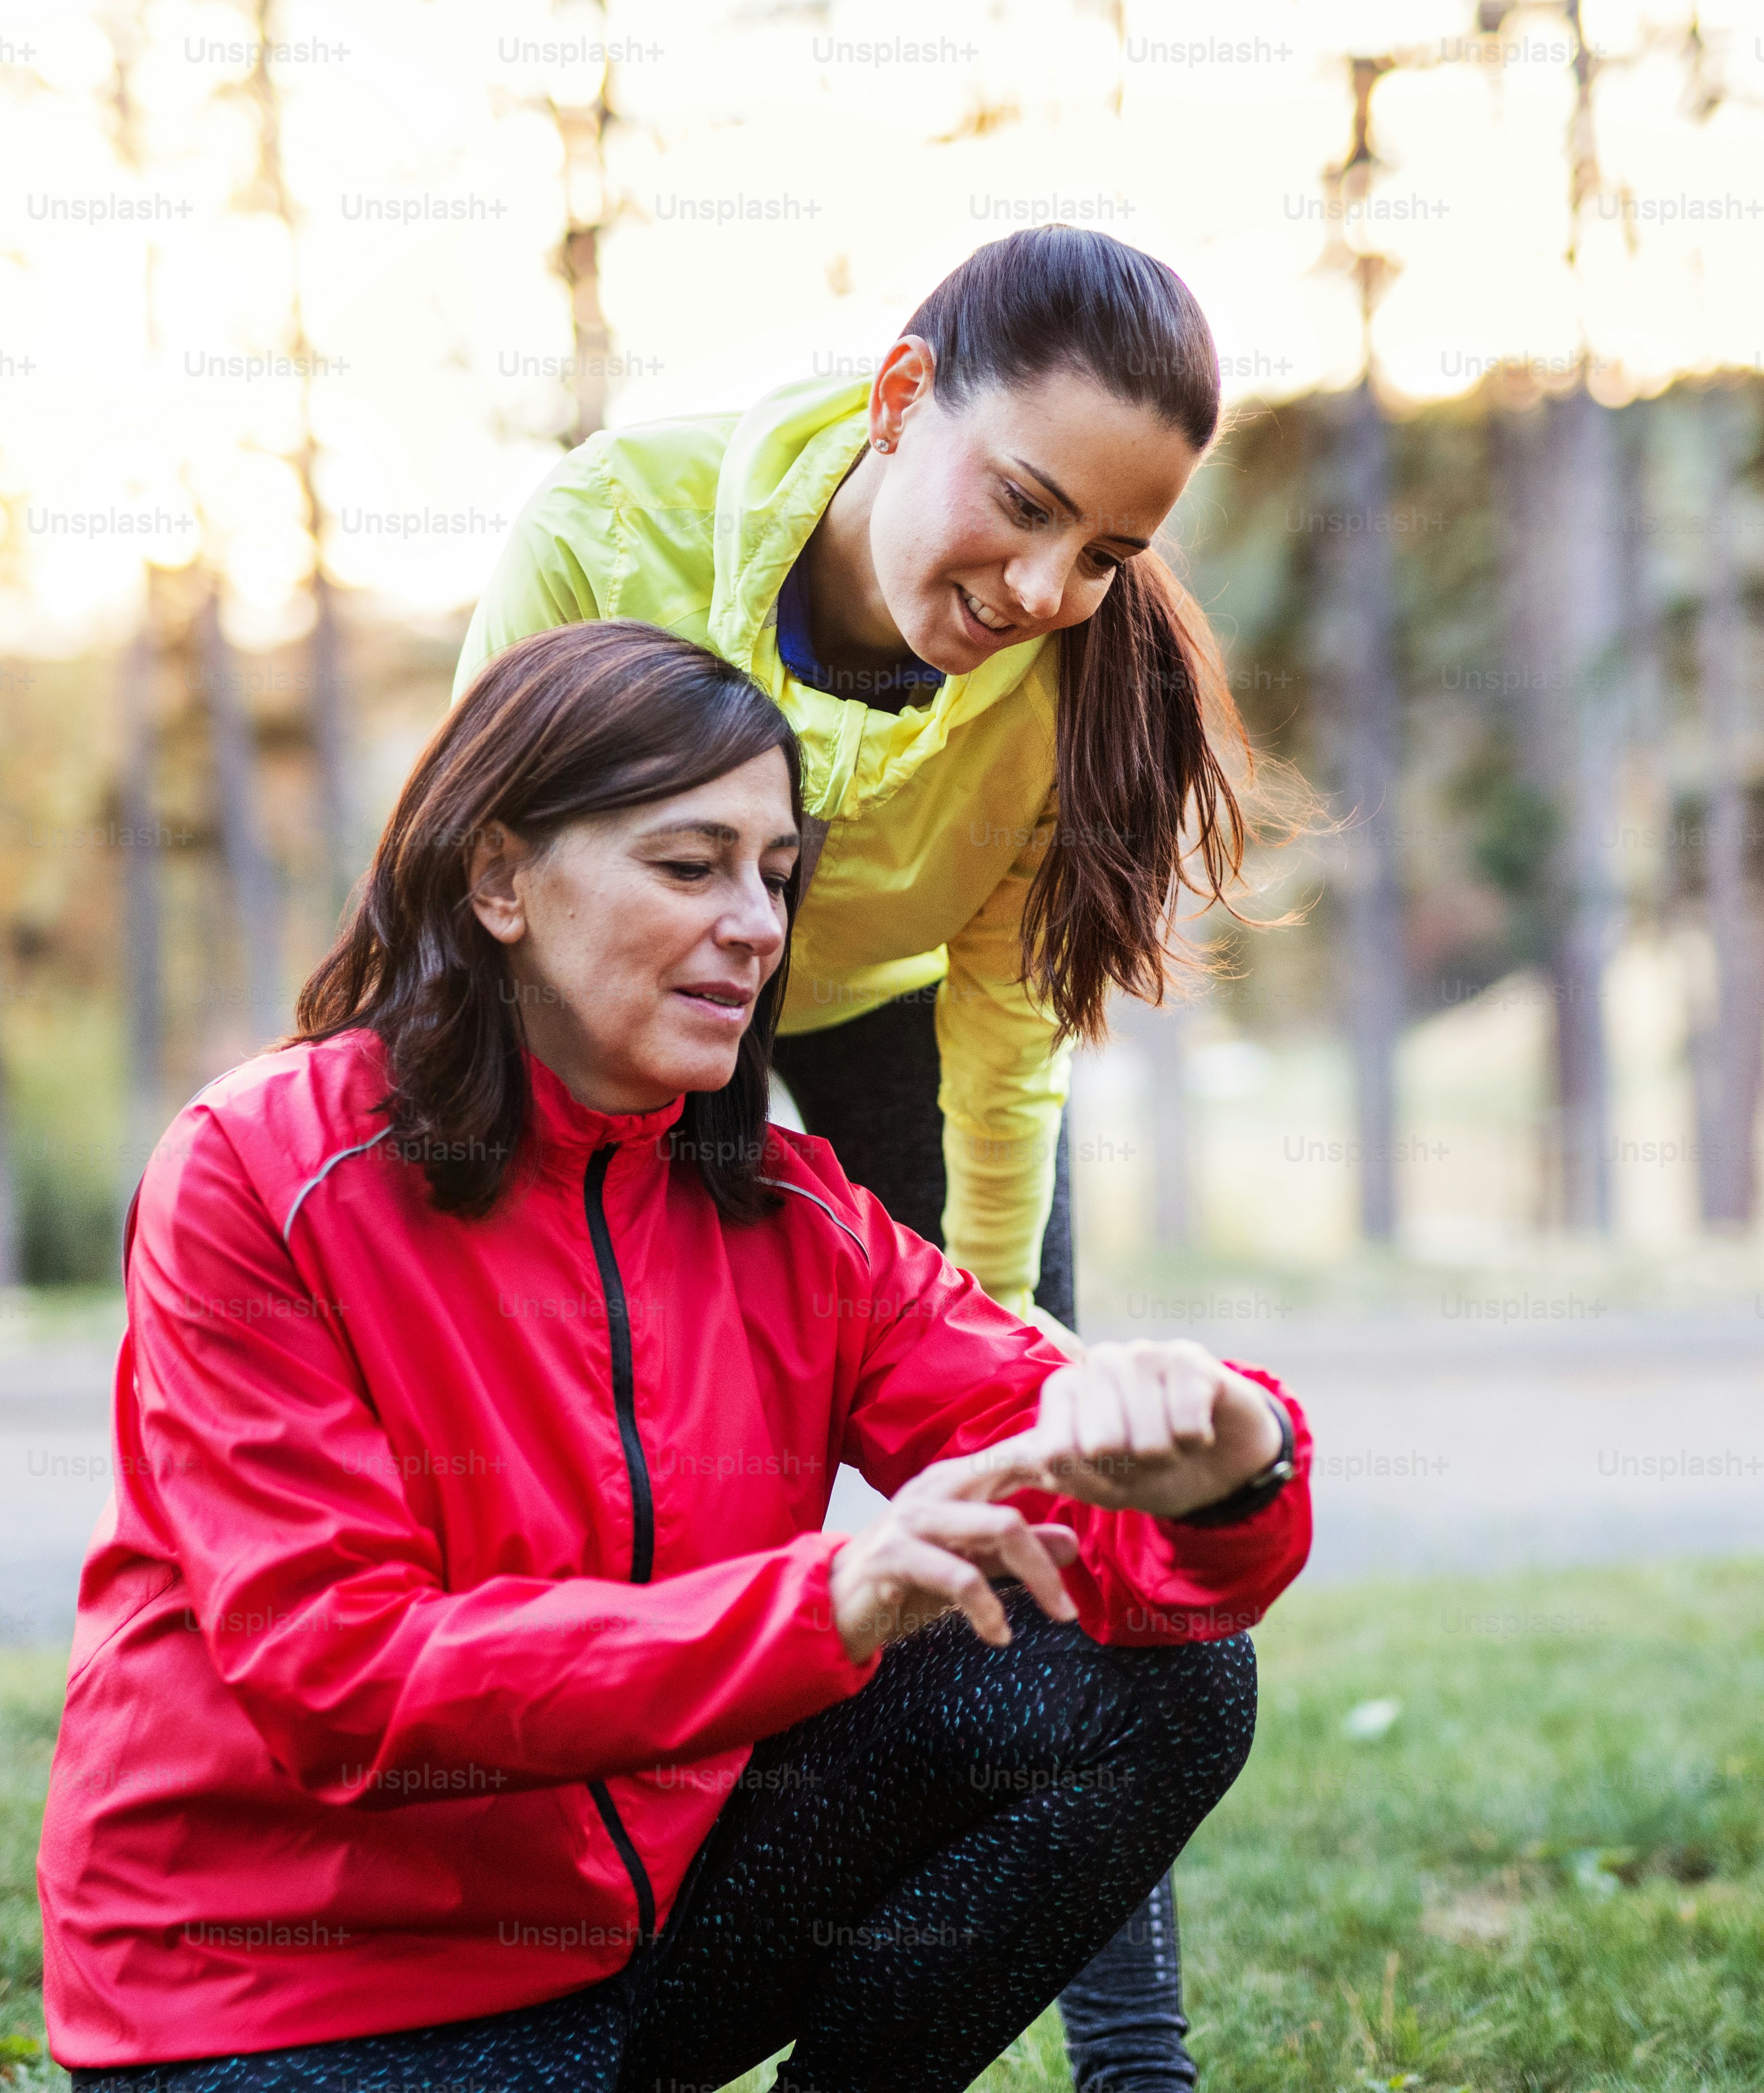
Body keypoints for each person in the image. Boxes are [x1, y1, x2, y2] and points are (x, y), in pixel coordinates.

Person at [38, 621, 1312, 2093]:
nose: (758, 926)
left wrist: (1228, 1455)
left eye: (776, 877)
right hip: (292, 2000)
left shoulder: (791, 1214)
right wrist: (825, 1601)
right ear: (500, 876)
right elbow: (344, 1680)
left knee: (1157, 1680)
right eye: (690, 865)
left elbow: (1103, 1509)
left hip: (638, 1948)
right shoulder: (260, 1172)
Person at [452, 226, 1290, 2084]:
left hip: (889, 1017)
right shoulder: (614, 529)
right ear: (903, 397)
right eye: (1028, 505)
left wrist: (996, 1364)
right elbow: (476, 879)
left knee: (1080, 1527)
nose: (1055, 585)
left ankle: (1132, 2055)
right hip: (641, 1011)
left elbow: (1005, 1039)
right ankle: (564, 1945)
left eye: (1114, 555)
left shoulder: (1069, 678)